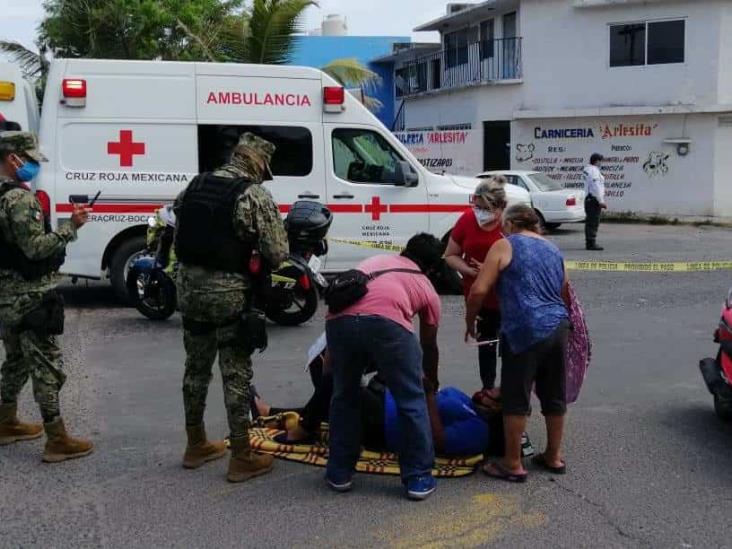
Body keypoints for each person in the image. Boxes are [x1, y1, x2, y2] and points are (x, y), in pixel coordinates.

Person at [173, 132, 288, 483]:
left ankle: (195, 445)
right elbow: (278, 253)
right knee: (235, 373)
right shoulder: (253, 195)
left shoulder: (195, 185)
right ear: (258, 163)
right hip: (227, 294)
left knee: (196, 368)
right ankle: (241, 456)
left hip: (188, 289)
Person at [325, 233, 444, 501]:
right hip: (387, 326)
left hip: (338, 324)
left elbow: (343, 302)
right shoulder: (425, 285)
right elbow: (429, 345)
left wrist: (331, 361)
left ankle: (339, 472)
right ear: (432, 267)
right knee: (410, 401)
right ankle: (418, 477)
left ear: (405, 250)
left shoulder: (376, 260)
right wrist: (430, 381)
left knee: (344, 397)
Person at [0, 131, 94, 462]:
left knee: (16, 360)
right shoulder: (20, 200)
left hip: (5, 295)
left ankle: (6, 420)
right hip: (29, 295)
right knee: (46, 365)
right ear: (13, 159)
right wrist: (71, 227)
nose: (32, 166)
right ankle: (57, 439)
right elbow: (36, 249)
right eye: (29, 160)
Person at [466, 204, 570, 483]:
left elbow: (478, 290)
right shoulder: (552, 248)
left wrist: (470, 322)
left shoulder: (504, 245)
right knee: (553, 394)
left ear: (511, 224)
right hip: (559, 326)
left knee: (515, 396)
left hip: (524, 329)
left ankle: (512, 463)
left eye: (503, 224)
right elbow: (563, 289)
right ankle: (553, 456)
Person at [444, 176, 507, 391]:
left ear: (501, 207)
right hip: (479, 299)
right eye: (477, 207)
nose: (481, 213)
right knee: (486, 346)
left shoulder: (509, 225)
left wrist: (491, 270)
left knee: (510, 350)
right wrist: (469, 270)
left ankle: (511, 395)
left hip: (508, 299)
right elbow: (451, 255)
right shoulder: (466, 220)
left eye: (486, 208)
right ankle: (488, 390)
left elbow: (523, 262)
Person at [583, 153, 606, 251]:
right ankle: (591, 243)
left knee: (590, 221)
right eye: (600, 161)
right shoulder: (594, 171)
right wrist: (601, 200)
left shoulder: (587, 169)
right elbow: (596, 187)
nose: (601, 163)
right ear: (596, 161)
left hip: (589, 198)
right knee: (593, 222)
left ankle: (590, 242)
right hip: (594, 199)